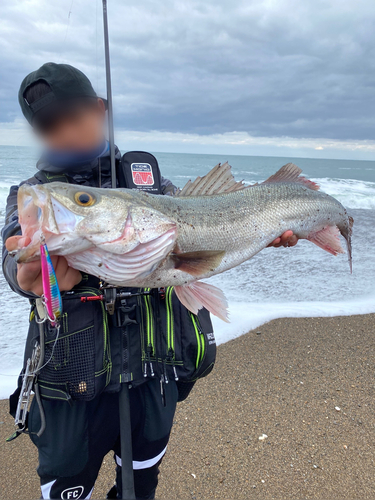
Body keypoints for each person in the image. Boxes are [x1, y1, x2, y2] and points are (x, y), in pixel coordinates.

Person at [2, 62, 298, 500]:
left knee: (140, 487)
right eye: (49, 124)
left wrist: (263, 232)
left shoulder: (153, 186)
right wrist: (27, 276)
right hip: (72, 386)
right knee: (67, 488)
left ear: (100, 109)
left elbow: (202, 230)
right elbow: (11, 254)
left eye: (75, 115)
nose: (66, 131)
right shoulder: (34, 194)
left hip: (153, 377)